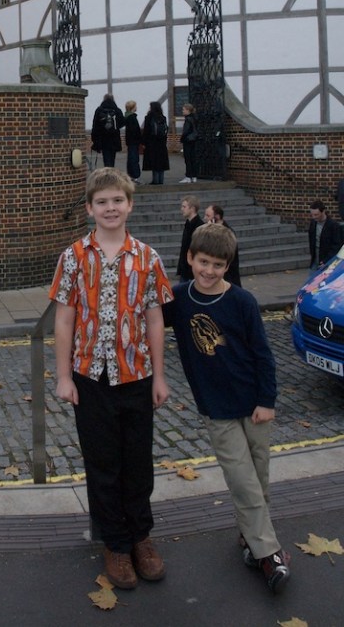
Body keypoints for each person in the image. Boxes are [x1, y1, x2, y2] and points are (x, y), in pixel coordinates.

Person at [51, 167, 172, 591]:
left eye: (117, 201)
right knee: (102, 464)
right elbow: (64, 320)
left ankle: (141, 537)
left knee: (137, 463)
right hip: (90, 378)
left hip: (137, 375)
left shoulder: (148, 257)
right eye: (101, 202)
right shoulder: (73, 257)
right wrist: (64, 376)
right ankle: (116, 545)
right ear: (89, 208)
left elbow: (155, 319)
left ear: (129, 204)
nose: (110, 208)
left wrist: (159, 376)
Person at [164, 223, 291, 593]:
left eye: (218, 265)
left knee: (259, 475)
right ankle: (271, 555)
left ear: (228, 266)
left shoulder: (243, 302)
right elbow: (145, 313)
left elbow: (263, 356)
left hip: (254, 404)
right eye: (203, 262)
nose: (209, 271)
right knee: (241, 478)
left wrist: (267, 401)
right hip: (217, 408)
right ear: (189, 258)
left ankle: (250, 539)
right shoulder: (179, 299)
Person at [205, 203, 241, 286]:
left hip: (228, 276)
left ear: (216, 217)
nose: (205, 218)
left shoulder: (227, 233)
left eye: (208, 216)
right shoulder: (211, 230)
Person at [91, 93, 126, 168]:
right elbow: (122, 122)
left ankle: (107, 174)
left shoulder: (99, 110)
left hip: (103, 139)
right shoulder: (117, 110)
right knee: (112, 158)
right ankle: (111, 174)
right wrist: (115, 127)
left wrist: (95, 141)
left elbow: (95, 125)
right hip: (114, 138)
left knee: (106, 159)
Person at [308, 200, 344, 269]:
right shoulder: (313, 223)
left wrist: (327, 260)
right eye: (312, 215)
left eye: (316, 215)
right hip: (315, 258)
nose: (314, 217)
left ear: (323, 211)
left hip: (327, 259)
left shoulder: (333, 225)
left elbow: (336, 246)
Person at [141, 101, 169, 185]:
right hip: (161, 143)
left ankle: (155, 180)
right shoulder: (163, 117)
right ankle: (161, 180)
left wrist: (143, 143)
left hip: (152, 143)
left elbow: (146, 131)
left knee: (154, 162)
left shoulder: (149, 117)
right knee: (161, 162)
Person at [177, 195, 203, 281]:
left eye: (184, 207)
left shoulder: (199, 226)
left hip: (192, 271)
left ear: (192, 208)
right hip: (186, 269)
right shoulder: (188, 224)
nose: (182, 209)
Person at [179, 103, 200, 184]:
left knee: (188, 159)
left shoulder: (188, 119)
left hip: (188, 140)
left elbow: (186, 131)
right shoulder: (195, 118)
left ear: (188, 110)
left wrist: (182, 139)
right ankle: (194, 176)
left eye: (183, 109)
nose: (182, 111)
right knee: (193, 159)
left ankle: (188, 176)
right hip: (194, 140)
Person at [123, 100, 142, 183]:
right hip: (134, 141)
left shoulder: (128, 117)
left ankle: (131, 174)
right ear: (133, 107)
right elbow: (135, 131)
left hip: (131, 141)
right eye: (135, 106)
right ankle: (134, 175)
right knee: (134, 158)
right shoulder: (132, 118)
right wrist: (139, 139)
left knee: (131, 158)